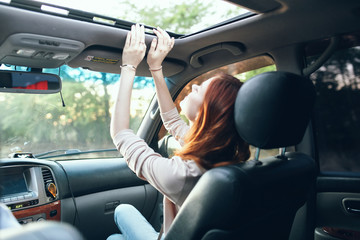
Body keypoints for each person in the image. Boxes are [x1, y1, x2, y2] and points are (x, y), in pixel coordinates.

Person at [108, 24, 250, 240]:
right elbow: (173, 122)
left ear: (208, 113)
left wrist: (129, 66)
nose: (193, 87)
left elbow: (120, 133)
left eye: (200, 89)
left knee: (117, 223)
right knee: (121, 217)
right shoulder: (227, 156)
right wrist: (156, 69)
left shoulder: (182, 175)